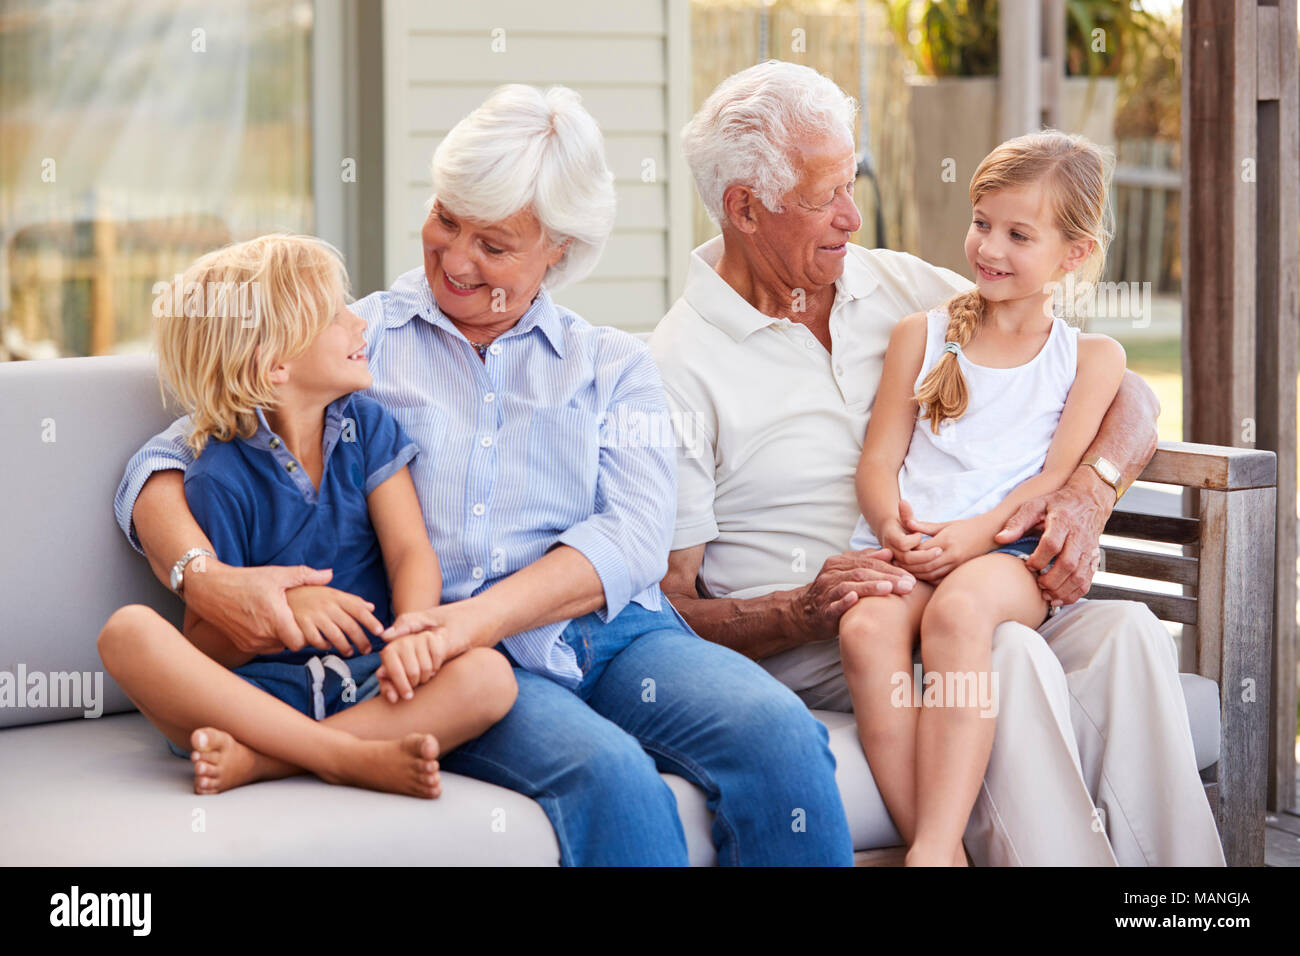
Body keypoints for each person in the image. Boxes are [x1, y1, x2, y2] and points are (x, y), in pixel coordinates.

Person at [113, 85, 854, 865]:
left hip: (614, 639)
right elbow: (164, 458)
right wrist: (205, 579)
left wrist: (478, 618)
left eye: (494, 246)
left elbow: (633, 535)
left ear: (557, 251)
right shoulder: (361, 344)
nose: (457, 259)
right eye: (446, 220)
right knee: (612, 779)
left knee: (779, 736)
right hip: (456, 661)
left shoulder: (612, 365)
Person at [652, 60, 1226, 865]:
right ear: (746, 208)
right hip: (833, 644)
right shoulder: (675, 369)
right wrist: (799, 608)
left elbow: (1116, 388)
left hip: (976, 574)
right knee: (1012, 657)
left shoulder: (894, 285)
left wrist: (1086, 496)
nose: (855, 218)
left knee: (1129, 630)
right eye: (827, 199)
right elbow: (666, 609)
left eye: (852, 184)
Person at [98, 234, 517, 798]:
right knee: (129, 634)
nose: (359, 324)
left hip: (370, 678)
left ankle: (266, 764)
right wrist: (280, 615)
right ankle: (343, 756)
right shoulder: (216, 475)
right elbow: (205, 644)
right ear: (274, 365)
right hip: (257, 698)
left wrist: (414, 632)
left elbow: (410, 551)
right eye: (335, 316)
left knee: (487, 677)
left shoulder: (367, 428)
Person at [841, 131, 1131, 865]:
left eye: (1018, 234)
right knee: (867, 630)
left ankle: (932, 848)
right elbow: (879, 461)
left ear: (1073, 253)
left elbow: (1047, 484)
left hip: (1006, 553)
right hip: (915, 542)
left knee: (960, 612)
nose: (988, 246)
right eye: (981, 222)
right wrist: (891, 527)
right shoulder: (923, 335)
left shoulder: (1089, 359)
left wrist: (971, 539)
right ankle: (938, 846)